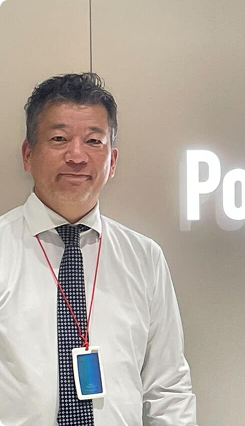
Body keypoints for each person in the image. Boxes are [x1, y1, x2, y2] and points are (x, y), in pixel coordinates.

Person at [0, 73, 197, 425]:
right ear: (28, 154)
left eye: (94, 141)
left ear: (112, 160)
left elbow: (168, 388)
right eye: (59, 138)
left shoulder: (144, 258)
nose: (76, 155)